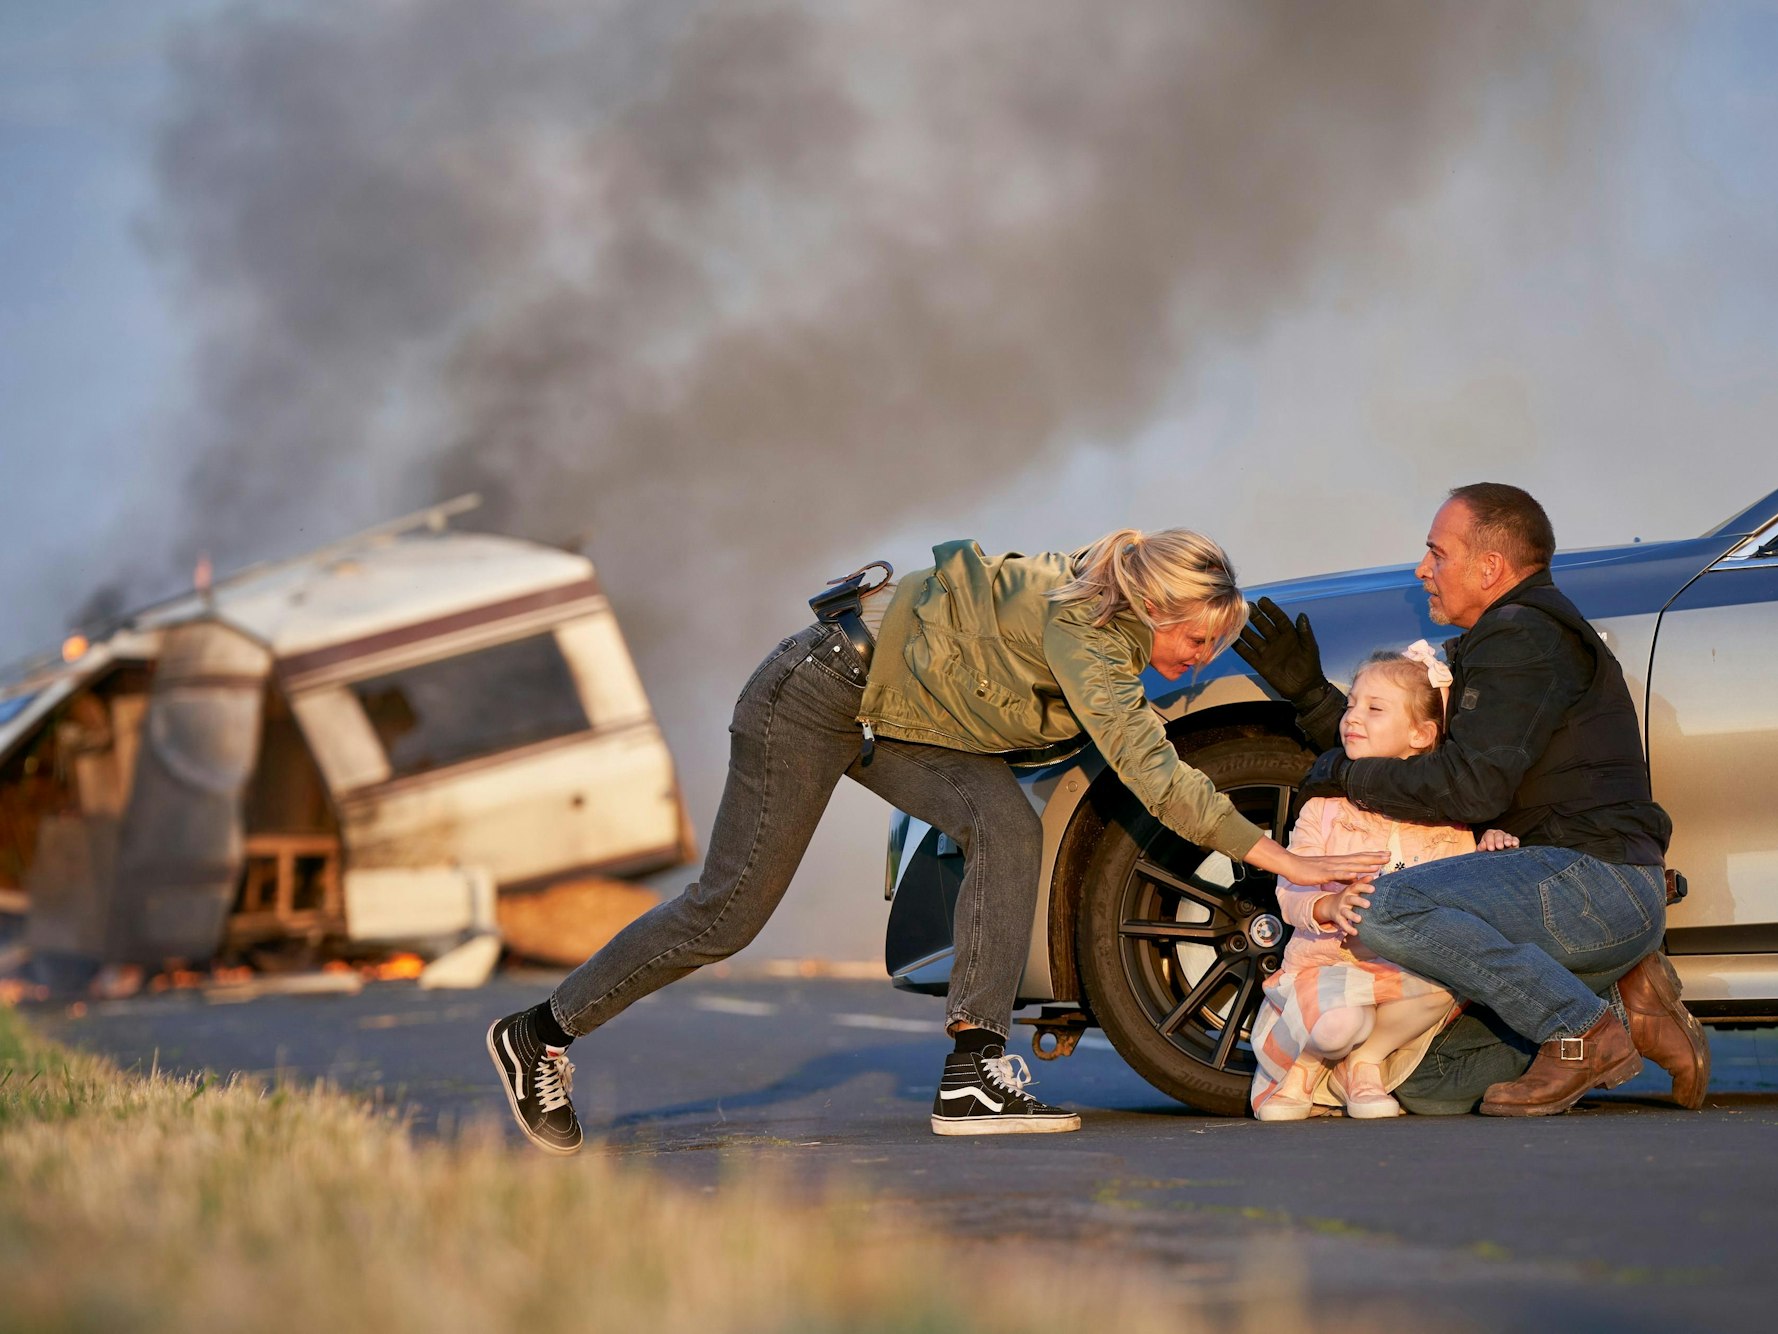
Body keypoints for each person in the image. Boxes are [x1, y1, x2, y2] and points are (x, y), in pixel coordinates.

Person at [489, 529, 1387, 1154]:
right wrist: (1282, 859)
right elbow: (1151, 769)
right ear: (1153, 605)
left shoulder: (1104, 615)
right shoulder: (1086, 629)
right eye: (1195, 638)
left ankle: (972, 1071)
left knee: (1004, 825)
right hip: (813, 695)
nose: (1197, 658)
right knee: (726, 914)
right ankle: (540, 1032)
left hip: (884, 714)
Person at [1235, 483, 1710, 1117]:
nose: (1422, 569)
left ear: (1489, 567)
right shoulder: (1513, 635)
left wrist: (1340, 776)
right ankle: (1630, 1004)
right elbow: (1421, 757)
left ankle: (1583, 1030)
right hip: (1557, 896)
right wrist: (1317, 703)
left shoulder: (1522, 635)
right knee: (1428, 1084)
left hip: (1590, 883)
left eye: (1437, 553)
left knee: (1380, 909)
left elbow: (1467, 788)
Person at [1252, 646, 1526, 1121]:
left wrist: (1489, 852)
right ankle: (1303, 1066)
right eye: (1352, 704)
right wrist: (1327, 905)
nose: (1352, 717)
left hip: (1398, 979)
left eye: (1374, 709)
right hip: (1327, 968)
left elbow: (1463, 895)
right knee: (1336, 1024)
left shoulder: (1448, 825)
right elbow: (1290, 887)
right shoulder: (1325, 808)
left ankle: (1364, 1064)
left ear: (1421, 734)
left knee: (1442, 984)